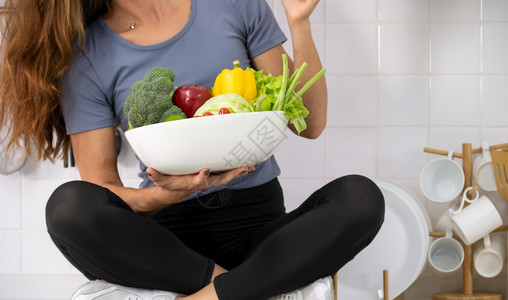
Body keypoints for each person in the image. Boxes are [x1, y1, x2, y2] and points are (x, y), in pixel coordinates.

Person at [0, 0, 385, 299]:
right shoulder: (87, 56)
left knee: (361, 197)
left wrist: (299, 24)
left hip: (262, 231)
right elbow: (102, 187)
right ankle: (238, 287)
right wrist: (165, 194)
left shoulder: (234, 4)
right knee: (68, 206)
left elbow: (311, 124)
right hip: (167, 249)